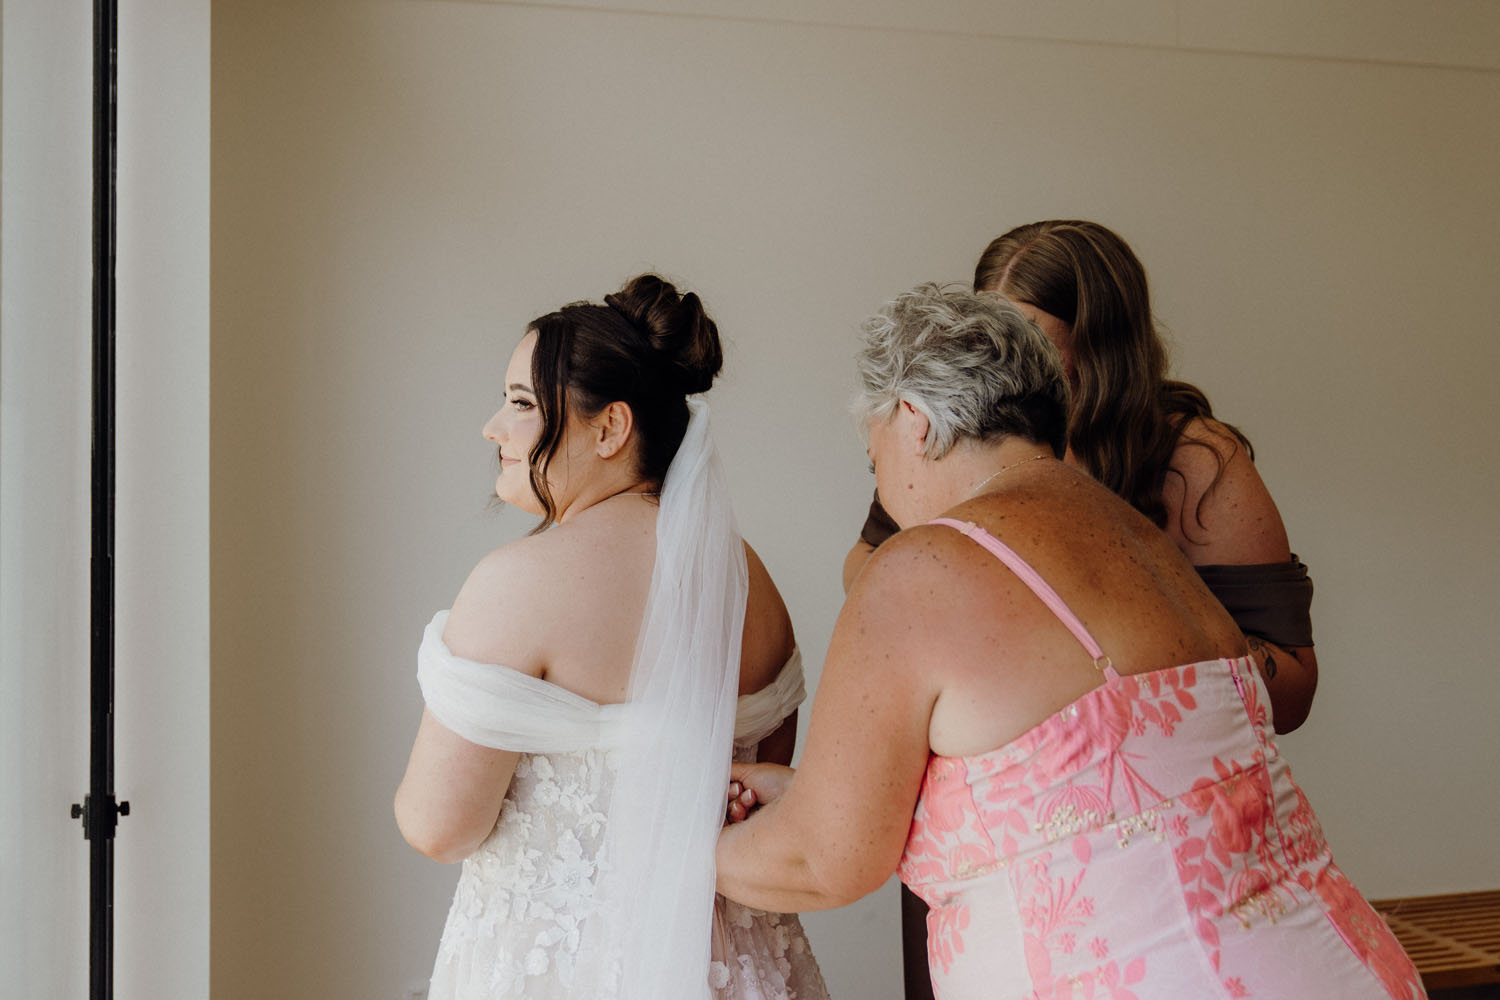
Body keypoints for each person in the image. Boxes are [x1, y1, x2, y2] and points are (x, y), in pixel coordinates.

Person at [720, 285, 1423, 1000]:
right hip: (1337, 962)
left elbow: (824, 861)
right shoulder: (1132, 535)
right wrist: (814, 793)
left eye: (875, 465)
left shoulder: (922, 566)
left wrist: (669, 844)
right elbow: (1090, 789)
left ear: (914, 419)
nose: (887, 496)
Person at [395, 275, 828, 1000]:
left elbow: (440, 827)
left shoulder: (518, 583)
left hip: (559, 973)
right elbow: (752, 801)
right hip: (735, 972)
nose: (493, 427)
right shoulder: (752, 583)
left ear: (610, 428)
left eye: (522, 404)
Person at [845, 220, 1316, 736]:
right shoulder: (957, 427)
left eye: (1028, 337)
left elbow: (1293, 687)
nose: (1002, 359)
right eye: (987, 334)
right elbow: (866, 563)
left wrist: (1129, 622)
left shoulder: (1195, 459)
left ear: (1100, 347)